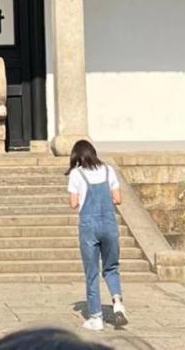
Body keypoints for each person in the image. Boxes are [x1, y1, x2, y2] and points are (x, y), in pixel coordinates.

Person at [66, 140, 128, 331]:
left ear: (77, 156)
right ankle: (117, 302)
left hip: (89, 227)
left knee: (92, 272)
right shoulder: (108, 170)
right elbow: (118, 199)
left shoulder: (77, 174)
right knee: (111, 268)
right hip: (109, 224)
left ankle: (96, 317)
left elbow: (73, 203)